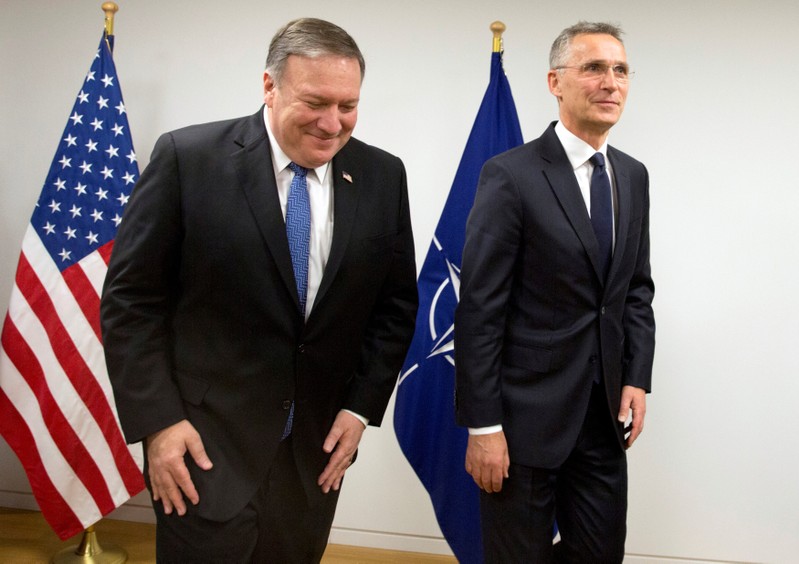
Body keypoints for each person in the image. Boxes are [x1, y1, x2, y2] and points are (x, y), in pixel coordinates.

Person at [101, 18, 418, 563]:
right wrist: (158, 423)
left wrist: (360, 408)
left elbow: (393, 308)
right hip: (201, 447)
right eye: (316, 102)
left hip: (313, 455)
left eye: (348, 105)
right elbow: (131, 302)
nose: (332, 123)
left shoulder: (382, 175)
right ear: (269, 87)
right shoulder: (188, 158)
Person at [454, 21, 655, 563]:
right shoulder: (510, 175)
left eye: (619, 70)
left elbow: (635, 289)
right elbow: (478, 309)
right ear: (555, 82)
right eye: (593, 68)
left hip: (603, 421)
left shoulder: (632, 176)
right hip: (521, 425)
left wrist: (637, 376)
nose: (610, 82)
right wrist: (484, 425)